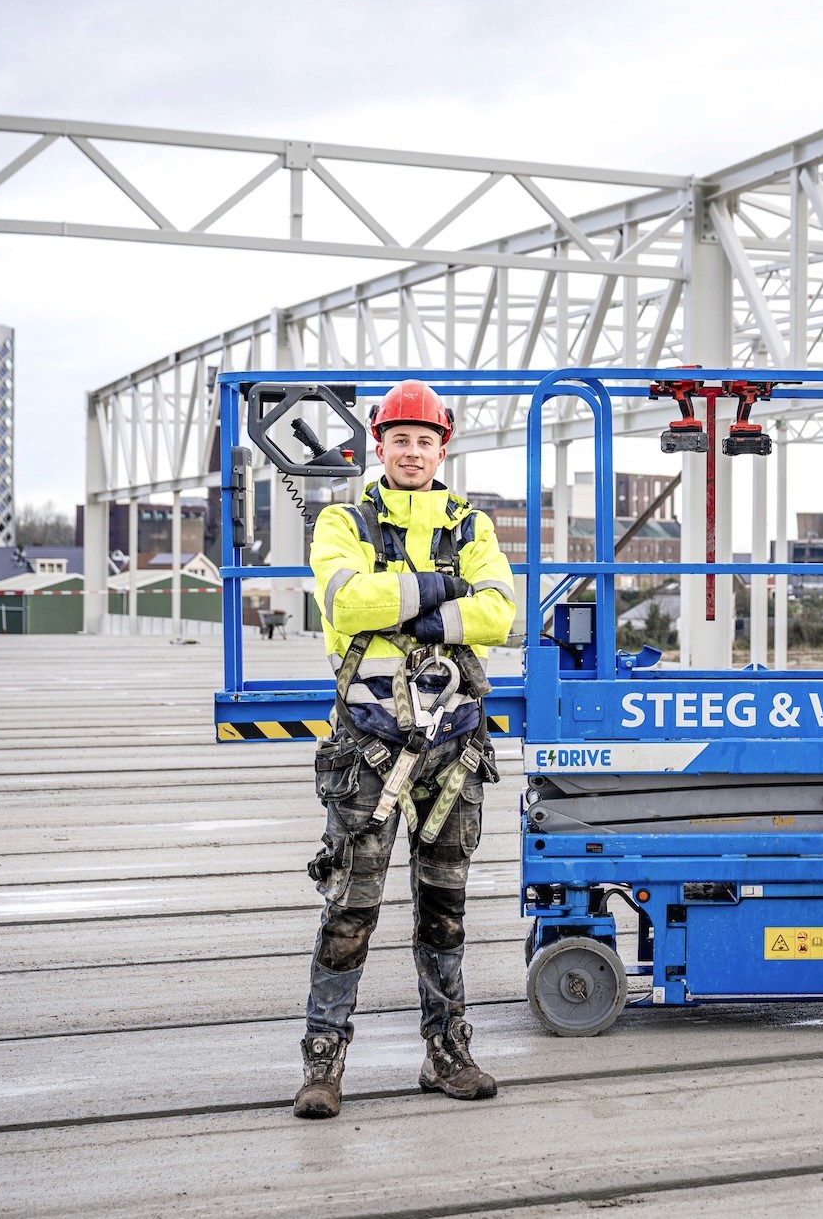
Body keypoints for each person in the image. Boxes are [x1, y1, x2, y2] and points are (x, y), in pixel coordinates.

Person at [293, 379, 517, 1118]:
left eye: (426, 440)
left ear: (442, 448)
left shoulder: (471, 523)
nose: (413, 451)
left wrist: (413, 617)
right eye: (400, 440)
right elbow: (344, 602)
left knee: (444, 910)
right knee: (350, 909)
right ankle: (323, 1065)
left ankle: (448, 1054)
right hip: (368, 752)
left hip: (453, 749)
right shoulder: (343, 521)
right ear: (379, 447)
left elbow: (501, 613)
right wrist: (441, 589)